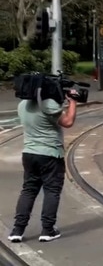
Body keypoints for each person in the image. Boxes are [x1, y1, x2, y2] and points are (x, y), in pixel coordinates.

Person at [8, 87, 79, 243]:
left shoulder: (23, 105)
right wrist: (72, 101)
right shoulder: (48, 104)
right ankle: (48, 230)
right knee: (52, 191)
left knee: (29, 190)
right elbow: (68, 122)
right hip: (50, 154)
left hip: (29, 153)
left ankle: (17, 230)